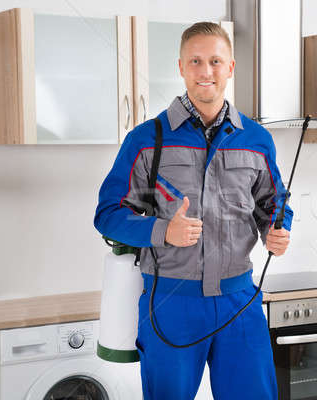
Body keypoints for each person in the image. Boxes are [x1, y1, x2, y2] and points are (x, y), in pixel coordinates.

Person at [93, 21, 293, 399]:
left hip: (240, 301)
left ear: (230, 67)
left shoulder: (256, 139)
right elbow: (107, 214)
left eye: (215, 61)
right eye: (196, 61)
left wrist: (276, 231)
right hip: (171, 302)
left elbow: (274, 202)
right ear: (181, 67)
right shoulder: (146, 139)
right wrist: (162, 231)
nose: (206, 72)